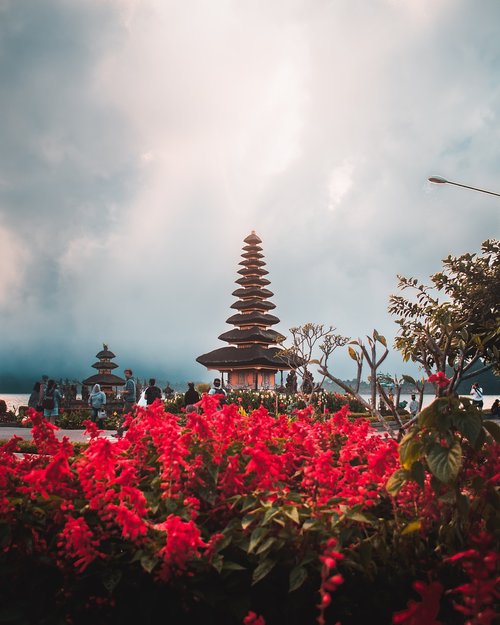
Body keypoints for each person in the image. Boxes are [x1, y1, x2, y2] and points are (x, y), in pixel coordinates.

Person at [116, 369, 136, 438]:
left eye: (127, 373)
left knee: (124, 418)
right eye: (125, 373)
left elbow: (130, 391)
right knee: (132, 419)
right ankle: (135, 433)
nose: (126, 375)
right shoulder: (131, 381)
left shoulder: (130, 382)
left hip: (129, 402)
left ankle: (119, 433)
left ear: (130, 374)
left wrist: (122, 392)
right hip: (131, 402)